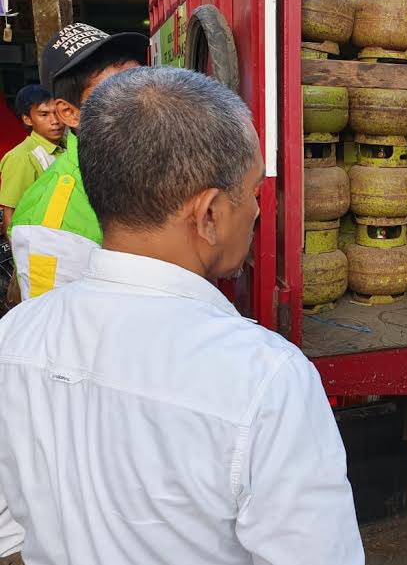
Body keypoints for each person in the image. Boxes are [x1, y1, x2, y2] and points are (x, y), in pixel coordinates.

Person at [0, 66, 364, 564]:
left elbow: (10, 536)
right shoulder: (266, 379)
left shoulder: (14, 338)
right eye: (254, 192)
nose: (258, 211)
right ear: (210, 214)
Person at [8, 22, 146, 300]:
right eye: (117, 94)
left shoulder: (152, 161)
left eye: (142, 81)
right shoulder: (48, 226)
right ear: (70, 114)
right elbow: (53, 332)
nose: (142, 102)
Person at [0, 85, 63, 233]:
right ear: (27, 119)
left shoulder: (68, 147)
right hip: (41, 243)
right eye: (44, 114)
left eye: (57, 113)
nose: (55, 121)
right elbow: (11, 215)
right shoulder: (21, 157)